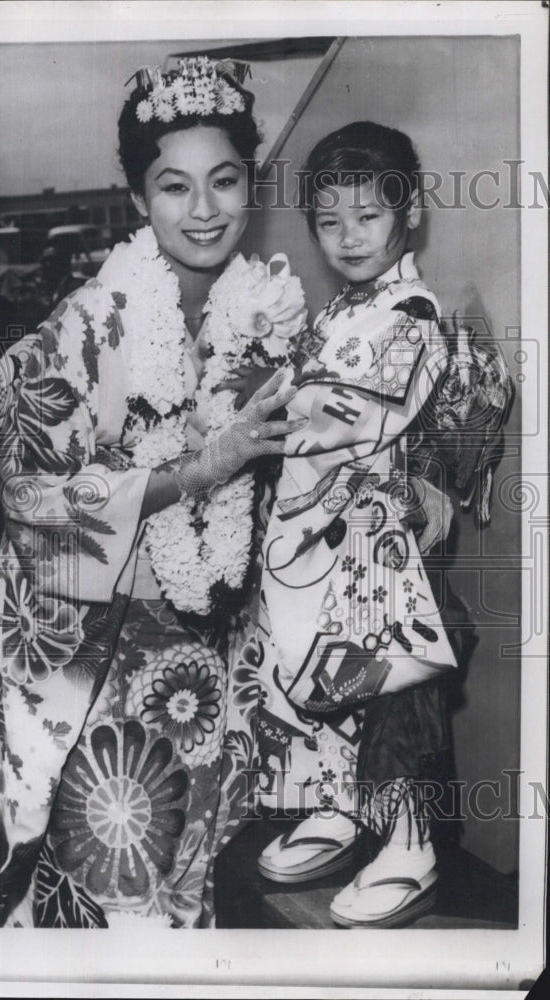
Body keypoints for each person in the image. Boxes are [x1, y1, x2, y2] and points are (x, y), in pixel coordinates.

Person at [0, 57, 308, 929]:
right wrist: (192, 474)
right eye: (173, 186)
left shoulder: (270, 311)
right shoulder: (89, 325)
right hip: (99, 651)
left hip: (215, 651)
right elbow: (31, 494)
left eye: (223, 180)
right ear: (138, 198)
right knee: (109, 884)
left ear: (250, 184)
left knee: (192, 882)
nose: (203, 210)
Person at [253, 121, 460, 928]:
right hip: (313, 527)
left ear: (409, 214)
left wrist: (273, 412)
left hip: (377, 536)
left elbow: (360, 412)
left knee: (383, 678)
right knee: (309, 670)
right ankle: (341, 806)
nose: (348, 237)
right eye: (329, 221)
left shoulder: (412, 312)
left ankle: (410, 843)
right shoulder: (343, 307)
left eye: (368, 216)